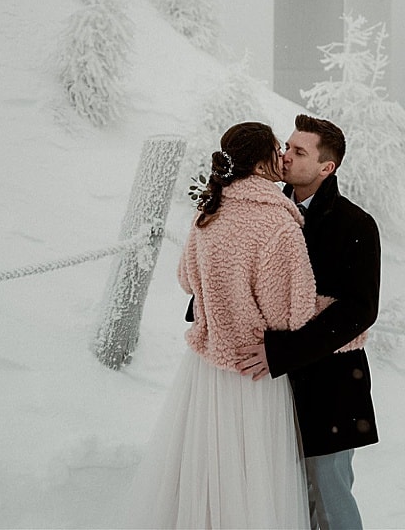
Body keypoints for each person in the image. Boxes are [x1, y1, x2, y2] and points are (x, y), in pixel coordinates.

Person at [124, 121, 316, 530]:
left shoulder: (209, 210)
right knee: (253, 481)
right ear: (263, 160)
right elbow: (292, 314)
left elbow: (185, 280)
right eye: (278, 148)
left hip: (207, 366)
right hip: (254, 370)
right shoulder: (278, 225)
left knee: (203, 471)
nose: (283, 155)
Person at [236, 114, 381, 530]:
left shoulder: (357, 225)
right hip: (270, 389)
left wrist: (280, 352)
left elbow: (359, 309)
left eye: (299, 151)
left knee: (330, 496)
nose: (285, 155)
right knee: (284, 498)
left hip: (330, 384)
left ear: (326, 167)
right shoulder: (263, 212)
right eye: (286, 146)